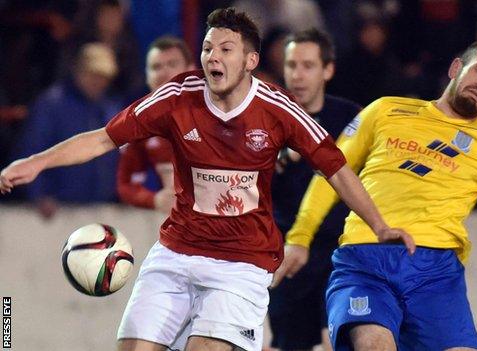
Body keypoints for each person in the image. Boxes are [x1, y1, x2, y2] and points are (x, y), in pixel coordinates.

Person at [0, 8, 412, 351]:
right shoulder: (178, 96)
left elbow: (336, 168)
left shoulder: (276, 107)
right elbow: (104, 138)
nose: (212, 56)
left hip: (242, 263)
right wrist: (37, 162)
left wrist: (380, 225)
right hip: (177, 253)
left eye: (226, 49)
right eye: (207, 47)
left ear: (250, 61)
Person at [273, 42, 477, 350]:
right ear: (456, 68)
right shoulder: (386, 109)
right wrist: (300, 236)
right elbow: (331, 172)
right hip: (367, 259)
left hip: (437, 274)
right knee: (374, 345)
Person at [268, 28, 361, 351]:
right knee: (290, 344)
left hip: (340, 252)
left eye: (308, 66)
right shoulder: (267, 117)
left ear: (328, 70)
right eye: (292, 65)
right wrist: (282, 157)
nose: (298, 75)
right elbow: (245, 180)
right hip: (286, 252)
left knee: (338, 341)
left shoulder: (351, 117)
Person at [11, 42, 123, 218]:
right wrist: (39, 195)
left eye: (104, 76)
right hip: (58, 211)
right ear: (78, 71)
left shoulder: (111, 108)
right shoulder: (52, 104)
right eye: (93, 75)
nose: (98, 82)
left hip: (102, 209)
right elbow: (32, 148)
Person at [116, 36, 195, 213]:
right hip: (187, 227)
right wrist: (155, 200)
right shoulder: (140, 125)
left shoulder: (218, 110)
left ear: (191, 71)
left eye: (172, 64)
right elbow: (125, 184)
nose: (163, 72)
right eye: (156, 67)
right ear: (147, 76)